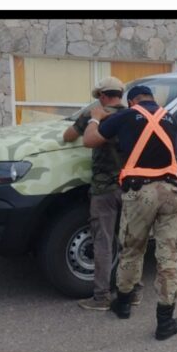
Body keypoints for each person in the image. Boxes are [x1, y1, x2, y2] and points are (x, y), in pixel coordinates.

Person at [83, 84, 177, 340]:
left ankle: (124, 304)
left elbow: (90, 140)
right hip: (173, 192)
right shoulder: (171, 117)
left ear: (132, 102)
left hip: (140, 193)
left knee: (132, 250)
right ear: (152, 99)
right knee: (168, 258)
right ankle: (165, 322)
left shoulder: (126, 116)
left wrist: (96, 118)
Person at [63, 76, 143, 311]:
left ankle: (101, 297)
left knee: (103, 242)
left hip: (103, 190)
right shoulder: (133, 116)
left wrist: (91, 119)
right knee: (131, 242)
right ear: (121, 94)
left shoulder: (93, 115)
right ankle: (134, 291)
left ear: (102, 96)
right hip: (130, 186)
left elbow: (68, 136)